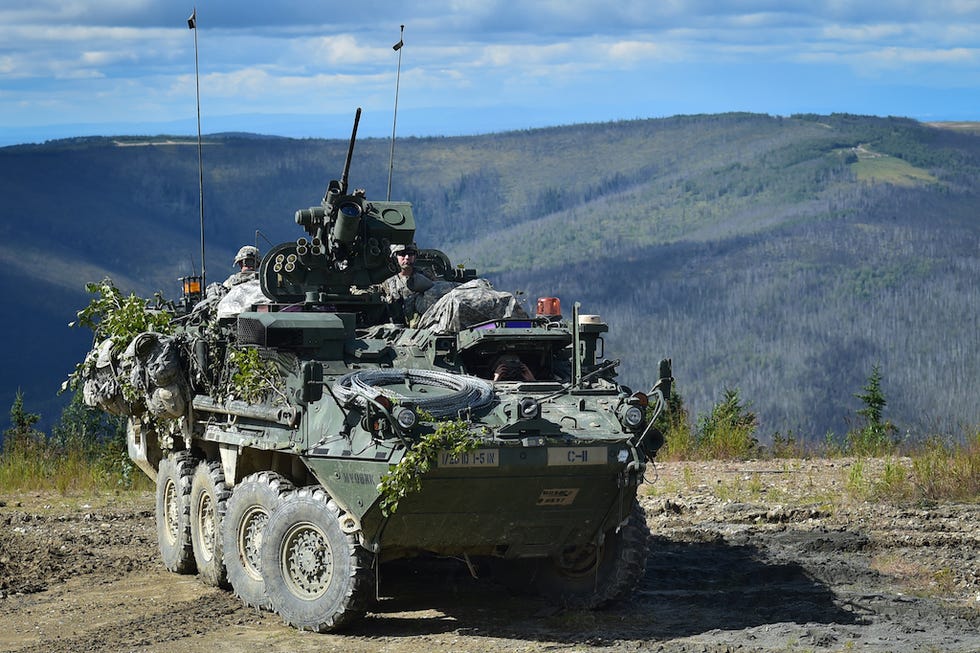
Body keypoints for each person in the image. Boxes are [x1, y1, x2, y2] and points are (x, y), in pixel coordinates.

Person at [379, 242, 434, 325]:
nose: (407, 257)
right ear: (394, 256)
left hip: (423, 327)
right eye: (402, 254)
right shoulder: (385, 280)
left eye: (410, 254)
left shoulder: (426, 276)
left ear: (415, 256)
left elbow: (439, 291)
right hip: (393, 330)